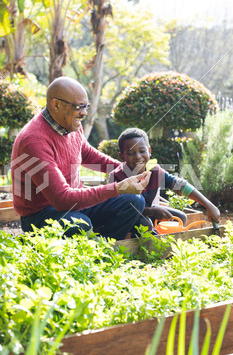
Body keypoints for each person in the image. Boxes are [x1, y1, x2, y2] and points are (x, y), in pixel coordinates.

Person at [11, 77, 151, 240]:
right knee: (80, 225)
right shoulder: (33, 140)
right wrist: (118, 188)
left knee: (135, 201)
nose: (84, 113)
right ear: (56, 105)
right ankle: (96, 249)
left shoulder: (70, 123)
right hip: (41, 214)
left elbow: (87, 154)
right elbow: (62, 199)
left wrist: (129, 171)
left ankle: (106, 246)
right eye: (79, 107)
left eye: (86, 106)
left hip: (76, 203)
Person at [108, 127, 220, 234]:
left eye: (142, 151)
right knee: (145, 224)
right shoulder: (117, 176)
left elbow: (180, 185)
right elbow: (118, 210)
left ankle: (163, 244)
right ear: (121, 156)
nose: (138, 156)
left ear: (149, 151)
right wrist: (151, 212)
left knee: (180, 218)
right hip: (126, 219)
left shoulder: (154, 171)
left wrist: (208, 205)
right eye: (131, 153)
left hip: (147, 212)